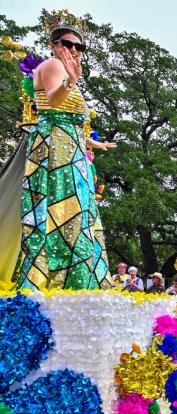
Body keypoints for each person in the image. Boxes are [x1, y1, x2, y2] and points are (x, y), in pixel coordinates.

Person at [6, 10, 113, 290]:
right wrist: (70, 81)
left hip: (68, 143)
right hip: (57, 149)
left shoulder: (64, 70)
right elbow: (53, 103)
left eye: (79, 46)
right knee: (63, 206)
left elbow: (67, 117)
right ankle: (63, 281)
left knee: (72, 207)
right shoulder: (54, 65)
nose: (73, 50)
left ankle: (72, 280)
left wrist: (92, 143)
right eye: (67, 43)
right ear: (54, 45)